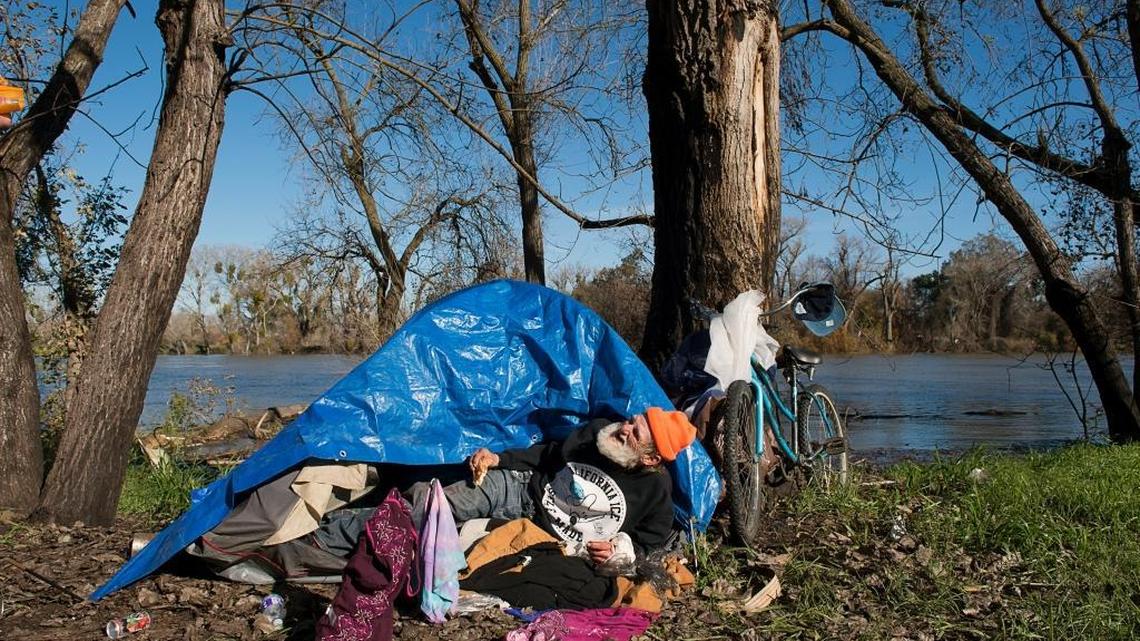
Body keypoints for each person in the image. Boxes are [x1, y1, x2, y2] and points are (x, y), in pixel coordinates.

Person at [410, 407, 697, 572]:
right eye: (631, 421)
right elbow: (546, 454)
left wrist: (619, 552)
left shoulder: (656, 490)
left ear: (650, 459)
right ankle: (389, 524)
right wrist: (499, 459)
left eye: (635, 433)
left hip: (554, 544)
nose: (624, 428)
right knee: (442, 506)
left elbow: (648, 544)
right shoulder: (598, 432)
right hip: (524, 492)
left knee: (463, 554)